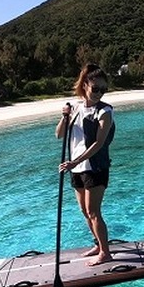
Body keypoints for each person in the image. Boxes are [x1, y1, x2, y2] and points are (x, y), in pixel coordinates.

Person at [55, 64, 116, 266]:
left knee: (93, 211)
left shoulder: (104, 111)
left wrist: (75, 161)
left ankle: (105, 252)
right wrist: (64, 116)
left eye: (103, 90)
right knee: (84, 211)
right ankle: (98, 244)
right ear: (85, 85)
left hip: (95, 167)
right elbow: (59, 135)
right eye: (95, 89)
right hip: (77, 168)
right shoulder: (75, 108)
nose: (99, 93)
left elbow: (99, 143)